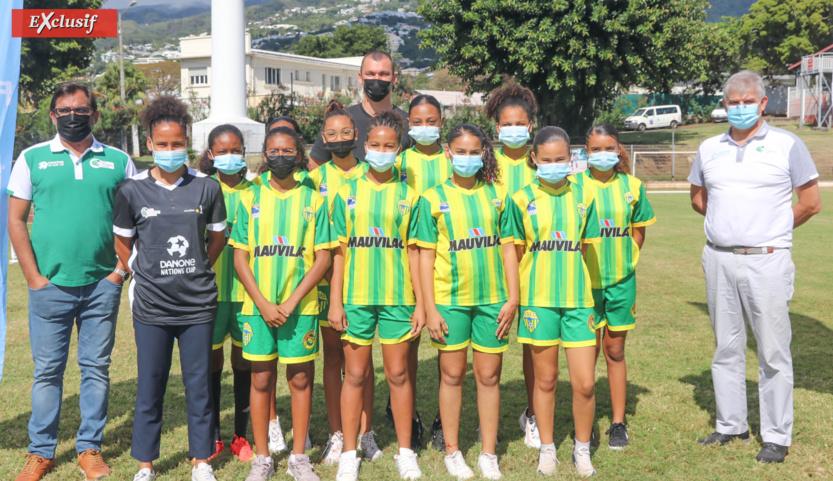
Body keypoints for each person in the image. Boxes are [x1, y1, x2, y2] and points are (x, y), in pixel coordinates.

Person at [689, 70, 821, 463]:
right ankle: (731, 425)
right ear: (724, 103)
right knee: (726, 347)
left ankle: (777, 435)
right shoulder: (708, 147)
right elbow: (699, 199)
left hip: (767, 260)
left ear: (763, 103)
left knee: (773, 351)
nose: (741, 107)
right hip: (719, 258)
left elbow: (811, 202)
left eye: (749, 101)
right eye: (734, 101)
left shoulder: (787, 144)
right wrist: (728, 229)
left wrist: (770, 230)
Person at [7, 81, 135, 481]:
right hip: (50, 286)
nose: (73, 117)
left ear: (95, 115)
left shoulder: (118, 161)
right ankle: (40, 452)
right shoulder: (32, 158)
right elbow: (14, 219)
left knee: (96, 368)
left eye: (81, 110)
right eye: (64, 110)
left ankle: (89, 449)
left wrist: (119, 272)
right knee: (47, 371)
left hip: (102, 284)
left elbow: (135, 221)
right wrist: (33, 277)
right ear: (52, 116)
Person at [112, 95, 227, 481]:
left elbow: (217, 238)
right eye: (162, 145)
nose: (170, 150)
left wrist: (197, 268)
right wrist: (141, 271)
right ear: (149, 145)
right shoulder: (131, 190)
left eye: (177, 144)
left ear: (187, 142)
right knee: (151, 385)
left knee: (199, 385)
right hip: (151, 307)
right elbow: (123, 242)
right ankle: (145, 464)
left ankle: (201, 460)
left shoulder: (207, 188)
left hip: (197, 306)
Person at [231, 126, 337, 481]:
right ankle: (262, 458)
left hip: (300, 308)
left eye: (288, 151)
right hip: (257, 308)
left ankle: (299, 457)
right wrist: (262, 302)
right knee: (260, 380)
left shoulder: (314, 200)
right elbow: (240, 258)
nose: (281, 157)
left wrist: (291, 301)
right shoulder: (250, 198)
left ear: (299, 155)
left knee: (301, 379)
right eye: (274, 151)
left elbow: (323, 259)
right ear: (264, 156)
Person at [418, 124, 519, 481]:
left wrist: (514, 297)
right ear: (448, 153)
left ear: (483, 154)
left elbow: (509, 248)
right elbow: (425, 258)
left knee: (489, 376)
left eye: (473, 151)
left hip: (493, 302)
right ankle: (452, 450)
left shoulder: (498, 194)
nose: (466, 158)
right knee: (453, 374)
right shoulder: (432, 198)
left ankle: (488, 453)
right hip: (450, 301)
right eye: (459, 152)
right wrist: (429, 307)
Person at [328, 111, 425, 481]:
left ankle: (405, 452)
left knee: (399, 374)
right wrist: (335, 301)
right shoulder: (346, 193)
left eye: (390, 146)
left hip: (398, 296)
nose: (382, 151)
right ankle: (349, 454)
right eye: (376, 145)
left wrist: (419, 302)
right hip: (355, 296)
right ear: (365, 146)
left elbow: (414, 251)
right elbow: (337, 253)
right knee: (354, 374)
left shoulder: (409, 196)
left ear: (398, 150)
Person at [507, 126, 601, 477]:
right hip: (538, 302)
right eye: (546, 160)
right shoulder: (520, 199)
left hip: (578, 302)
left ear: (571, 159)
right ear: (534, 159)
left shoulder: (585, 196)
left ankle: (581, 449)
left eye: (560, 159)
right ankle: (547, 449)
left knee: (585, 383)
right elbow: (516, 254)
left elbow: (588, 249)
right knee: (545, 380)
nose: (553, 165)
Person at [572, 123, 656, 450]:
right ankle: (587, 420)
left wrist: (627, 261)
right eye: (595, 149)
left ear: (619, 149)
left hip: (621, 283)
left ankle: (618, 423)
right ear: (586, 151)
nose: (603, 154)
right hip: (584, 284)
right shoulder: (574, 185)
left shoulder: (632, 185)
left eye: (609, 148)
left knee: (615, 350)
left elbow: (638, 231)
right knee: (587, 352)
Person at [308, 99, 380, 466]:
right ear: (323, 138)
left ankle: (366, 432)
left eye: (346, 133)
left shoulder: (372, 173)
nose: (339, 139)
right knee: (333, 356)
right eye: (331, 134)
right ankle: (338, 433)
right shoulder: (315, 178)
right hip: (325, 284)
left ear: (357, 135)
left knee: (361, 364)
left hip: (364, 281)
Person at [390, 93, 449, 451]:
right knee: (408, 343)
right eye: (417, 122)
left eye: (431, 121)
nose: (424, 128)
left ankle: (444, 419)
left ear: (442, 121)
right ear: (408, 124)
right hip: (406, 259)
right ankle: (409, 417)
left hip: (446, 262)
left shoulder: (454, 158)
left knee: (446, 343)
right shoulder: (398, 161)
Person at [483, 83, 540, 449]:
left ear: (531, 125)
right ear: (497, 128)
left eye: (521, 123)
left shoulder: (544, 161)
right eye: (507, 124)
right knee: (492, 347)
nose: (514, 129)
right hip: (493, 268)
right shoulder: (487, 164)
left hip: (537, 268)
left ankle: (533, 414)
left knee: (535, 344)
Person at [197, 125, 257, 462]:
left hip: (249, 294)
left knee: (244, 361)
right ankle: (214, 436)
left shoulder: (258, 192)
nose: (230, 156)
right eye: (222, 151)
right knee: (212, 360)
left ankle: (241, 435)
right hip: (211, 293)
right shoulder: (202, 190)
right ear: (210, 155)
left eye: (236, 150)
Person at [309, 51, 410, 167]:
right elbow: (316, 167)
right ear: (360, 78)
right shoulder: (341, 121)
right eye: (370, 74)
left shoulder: (409, 123)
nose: (376, 79)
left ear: (394, 78)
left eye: (383, 74)